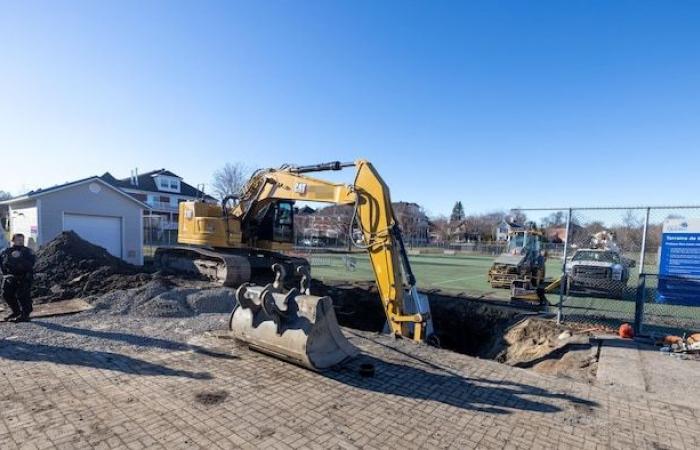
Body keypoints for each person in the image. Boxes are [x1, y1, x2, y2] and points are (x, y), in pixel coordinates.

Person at [0, 233, 36, 322]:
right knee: (7, 294)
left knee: (23, 295)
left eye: (22, 240)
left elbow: (31, 264)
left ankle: (25, 314)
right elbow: (2, 262)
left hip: (24, 276)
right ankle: (16, 312)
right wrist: (5, 273)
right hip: (10, 277)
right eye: (18, 240)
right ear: (13, 240)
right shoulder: (6, 251)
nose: (20, 241)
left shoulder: (27, 251)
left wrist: (19, 258)